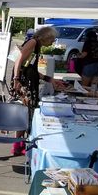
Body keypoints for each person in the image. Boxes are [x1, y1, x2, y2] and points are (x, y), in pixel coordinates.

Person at [11, 26, 68, 155]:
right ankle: (19, 145)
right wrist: (16, 78)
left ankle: (19, 145)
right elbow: (18, 60)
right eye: (52, 39)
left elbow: (31, 69)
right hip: (24, 83)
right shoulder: (33, 43)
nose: (53, 42)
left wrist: (50, 79)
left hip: (27, 81)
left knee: (26, 113)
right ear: (46, 36)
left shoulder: (37, 45)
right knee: (26, 113)